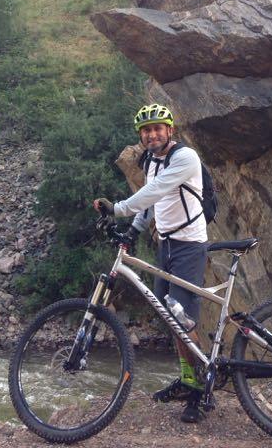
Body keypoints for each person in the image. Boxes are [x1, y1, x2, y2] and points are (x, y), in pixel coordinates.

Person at [93, 103, 208, 424]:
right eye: (146, 130)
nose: (152, 134)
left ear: (170, 130)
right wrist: (132, 232)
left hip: (190, 246)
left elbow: (153, 191)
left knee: (182, 319)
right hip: (166, 246)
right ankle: (188, 380)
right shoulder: (153, 161)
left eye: (158, 128)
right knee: (168, 317)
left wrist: (116, 209)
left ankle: (200, 391)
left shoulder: (185, 158)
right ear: (141, 136)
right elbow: (152, 201)